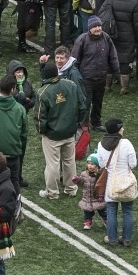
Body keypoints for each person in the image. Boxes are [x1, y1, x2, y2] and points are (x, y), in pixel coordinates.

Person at [34, 60, 87, 199]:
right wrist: (76, 123)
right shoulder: (71, 85)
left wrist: (42, 131)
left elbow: (40, 118)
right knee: (69, 161)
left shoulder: (43, 92)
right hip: (70, 132)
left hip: (52, 135)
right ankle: (71, 188)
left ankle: (52, 192)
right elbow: (82, 106)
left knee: (52, 164)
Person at [96, 119, 138, 247]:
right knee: (127, 211)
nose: (123, 129)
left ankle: (112, 239)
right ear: (118, 130)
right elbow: (133, 164)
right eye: (121, 128)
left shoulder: (101, 144)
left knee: (111, 211)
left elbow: (102, 164)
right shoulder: (126, 143)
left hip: (111, 184)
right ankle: (126, 239)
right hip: (126, 182)